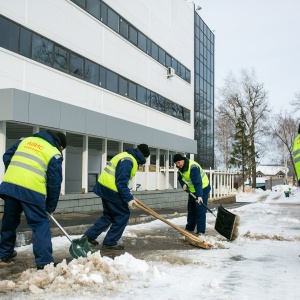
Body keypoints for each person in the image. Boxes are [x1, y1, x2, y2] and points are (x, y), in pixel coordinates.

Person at [0, 130, 66, 269]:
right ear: (60, 145)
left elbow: (7, 156)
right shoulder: (53, 152)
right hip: (32, 190)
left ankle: (4, 253)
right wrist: (50, 206)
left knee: (9, 221)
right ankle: (44, 262)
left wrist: (13, 173)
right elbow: (54, 183)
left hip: (10, 186)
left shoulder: (24, 140)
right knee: (40, 224)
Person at [82, 144, 150, 250]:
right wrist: (128, 199)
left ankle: (89, 236)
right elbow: (121, 183)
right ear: (142, 156)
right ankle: (110, 242)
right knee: (123, 215)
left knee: (108, 216)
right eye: (145, 158)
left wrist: (128, 196)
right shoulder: (129, 161)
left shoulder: (126, 156)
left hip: (104, 187)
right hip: (111, 190)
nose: (144, 160)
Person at [173, 154, 211, 236]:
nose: (178, 165)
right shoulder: (181, 168)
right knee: (191, 209)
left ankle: (201, 231)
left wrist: (200, 196)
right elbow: (180, 178)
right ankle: (190, 229)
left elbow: (198, 183)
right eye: (176, 163)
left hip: (202, 188)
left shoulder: (193, 167)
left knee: (199, 210)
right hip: (192, 190)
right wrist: (184, 184)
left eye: (179, 162)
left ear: (183, 160)